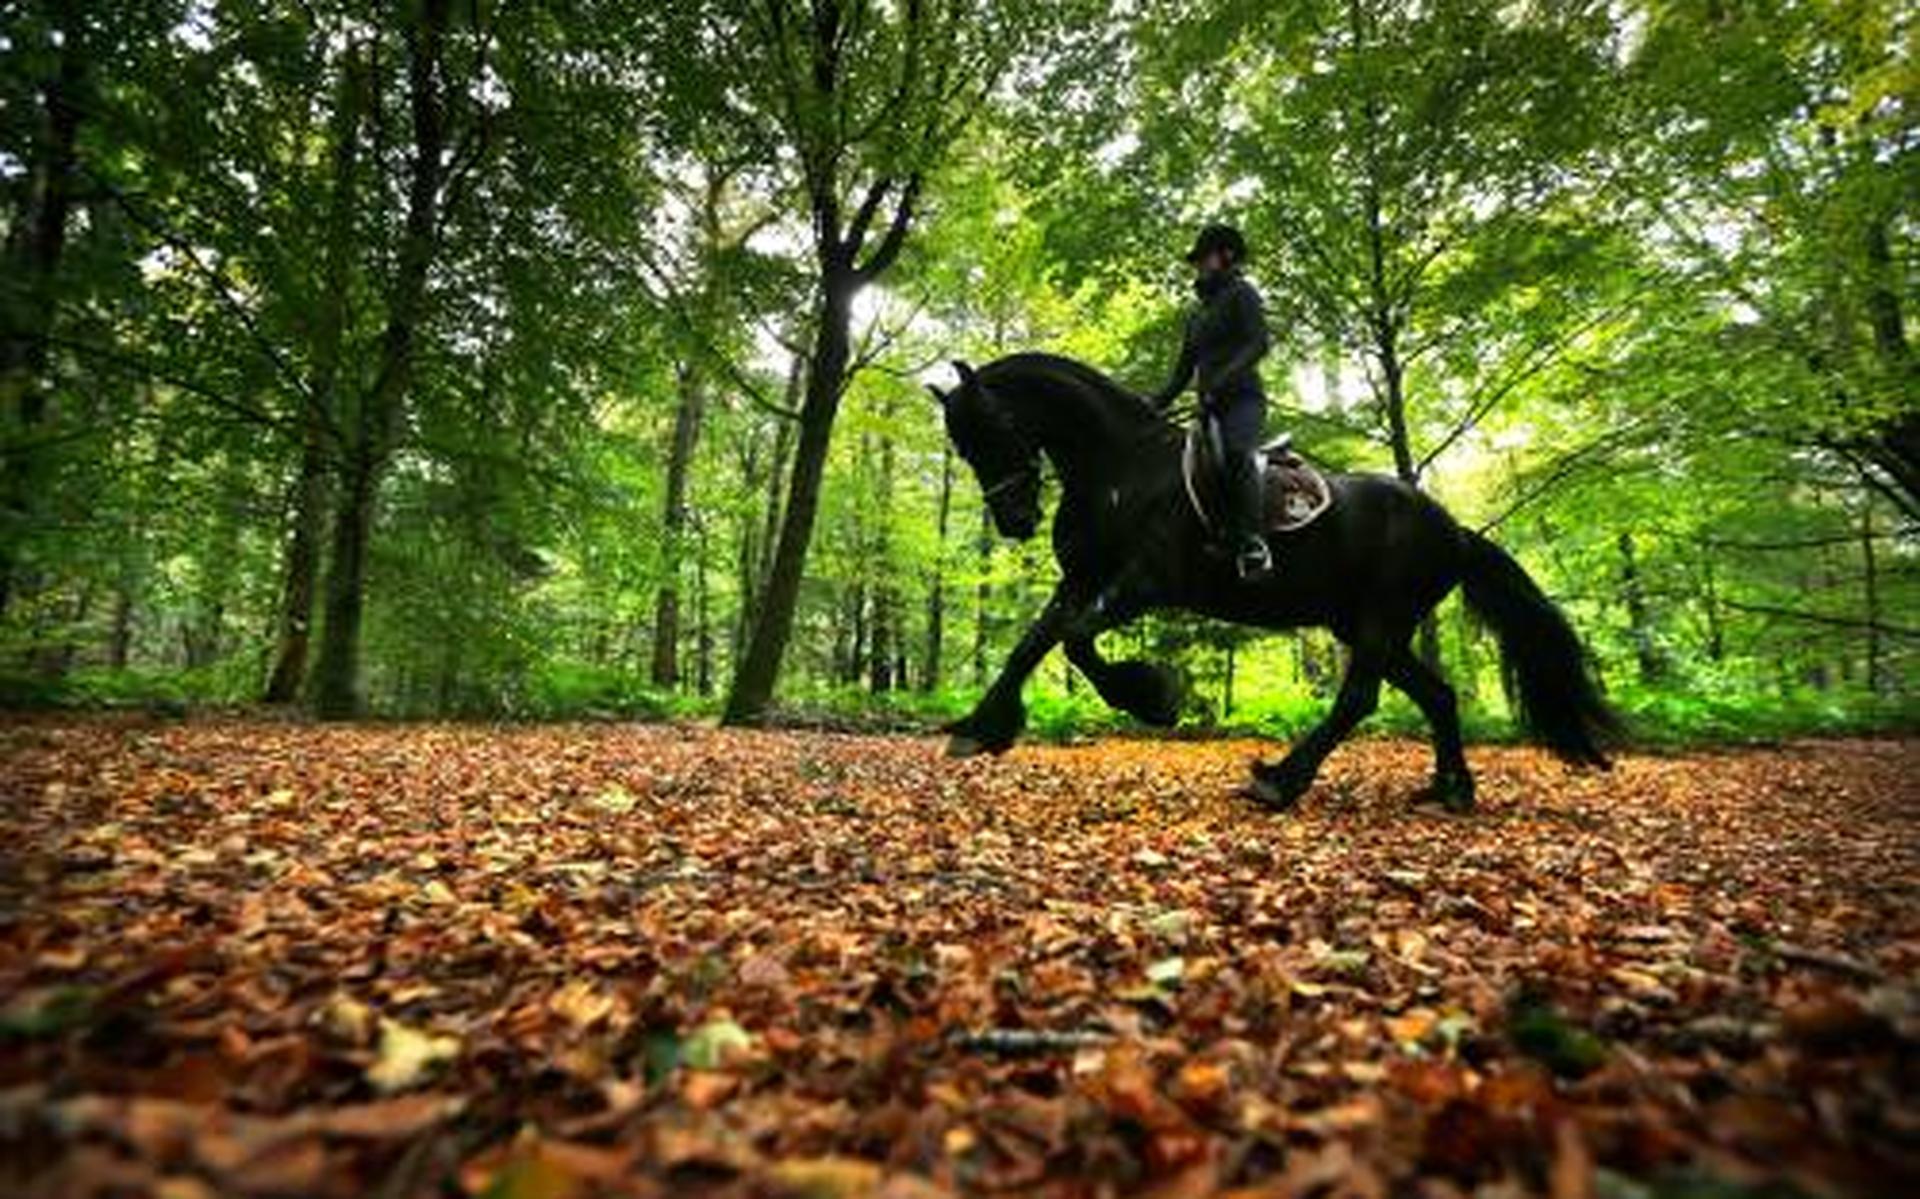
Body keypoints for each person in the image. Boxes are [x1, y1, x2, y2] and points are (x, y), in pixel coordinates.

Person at [1152, 223, 1274, 580]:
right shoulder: (1196, 316)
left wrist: (1221, 381)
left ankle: (1253, 543)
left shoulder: (1243, 294)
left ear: (1226, 255)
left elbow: (1258, 344)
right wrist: (1151, 404)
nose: (1199, 266)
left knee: (1236, 454)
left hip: (1243, 402)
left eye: (1203, 257)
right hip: (1209, 409)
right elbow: (1180, 374)